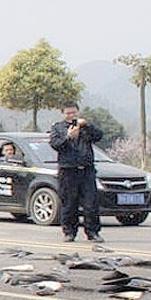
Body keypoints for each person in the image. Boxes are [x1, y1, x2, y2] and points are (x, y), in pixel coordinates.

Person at [49, 102, 104, 243]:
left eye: (74, 112)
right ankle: (69, 232)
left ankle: (93, 232)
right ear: (63, 114)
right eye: (68, 113)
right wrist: (68, 136)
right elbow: (55, 145)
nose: (71, 115)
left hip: (87, 170)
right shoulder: (58, 128)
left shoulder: (85, 126)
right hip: (68, 170)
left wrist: (87, 125)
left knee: (91, 203)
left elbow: (98, 136)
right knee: (69, 203)